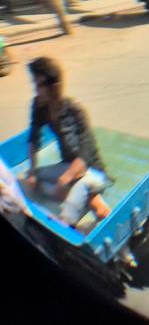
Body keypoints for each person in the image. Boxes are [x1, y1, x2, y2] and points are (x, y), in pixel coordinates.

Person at [25, 56, 111, 228]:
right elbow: (34, 138)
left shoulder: (75, 112)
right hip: (69, 166)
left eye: (39, 85)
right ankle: (93, 201)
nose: (36, 90)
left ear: (54, 87)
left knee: (66, 217)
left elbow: (85, 155)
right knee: (36, 178)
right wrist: (33, 171)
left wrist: (66, 179)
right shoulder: (39, 106)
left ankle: (80, 213)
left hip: (91, 171)